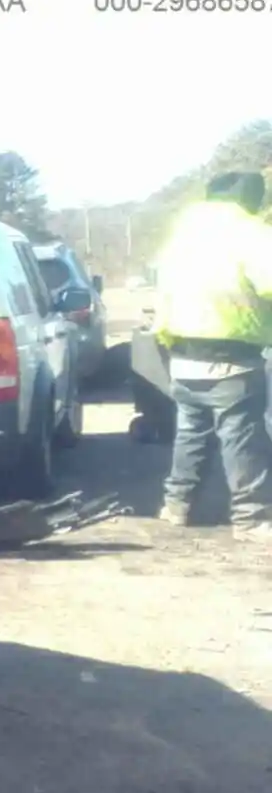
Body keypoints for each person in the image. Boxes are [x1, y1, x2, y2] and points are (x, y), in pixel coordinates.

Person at [151, 171, 272, 541]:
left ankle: (176, 506)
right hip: (230, 353)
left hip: (181, 353)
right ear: (251, 199)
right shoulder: (249, 232)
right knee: (242, 439)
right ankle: (251, 520)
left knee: (191, 433)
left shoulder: (182, 235)